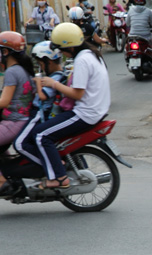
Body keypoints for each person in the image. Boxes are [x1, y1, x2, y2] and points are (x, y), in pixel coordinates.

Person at [18, 22, 110, 190]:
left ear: (71, 47)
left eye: (61, 49)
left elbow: (77, 94)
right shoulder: (92, 54)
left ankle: (59, 177)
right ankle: (57, 165)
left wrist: (53, 84)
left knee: (40, 134)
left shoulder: (83, 60)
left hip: (85, 113)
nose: (61, 53)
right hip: (96, 110)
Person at [13, 41, 65, 163]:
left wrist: (37, 81)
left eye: (41, 64)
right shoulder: (56, 76)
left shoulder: (56, 77)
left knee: (19, 144)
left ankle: (51, 165)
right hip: (37, 112)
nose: (41, 67)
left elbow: (42, 96)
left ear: (49, 62)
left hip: (39, 113)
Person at [0, 31, 35, 155]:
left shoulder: (11, 72)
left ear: (5, 52)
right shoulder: (23, 69)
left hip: (14, 122)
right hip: (23, 120)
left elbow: (4, 101)